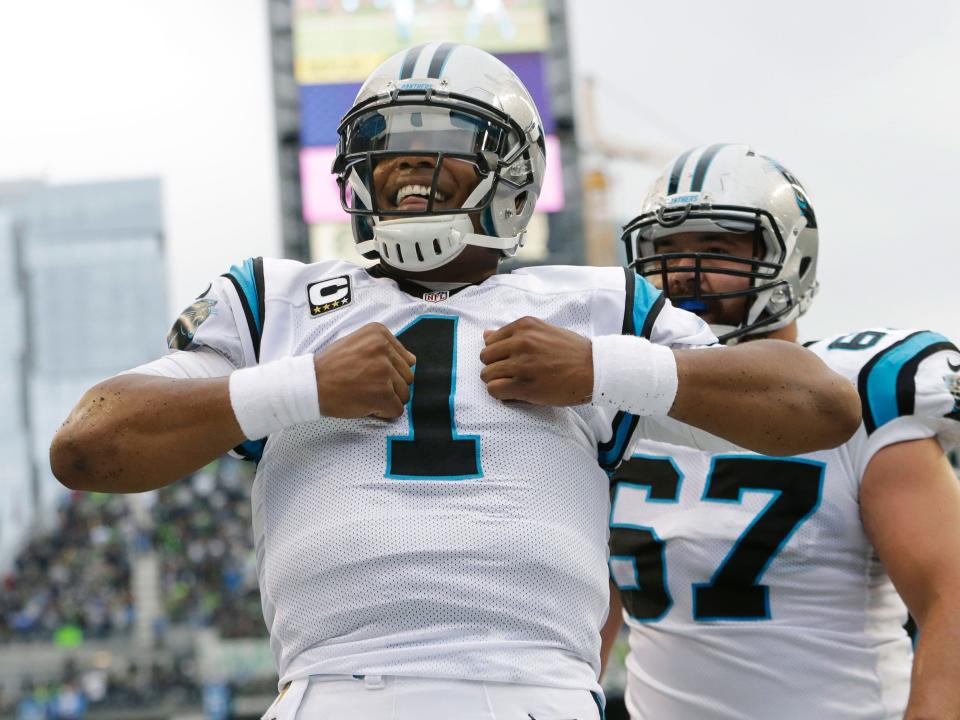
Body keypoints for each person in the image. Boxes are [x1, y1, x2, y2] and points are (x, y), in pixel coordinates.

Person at [50, 49, 859, 720]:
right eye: (390, 154)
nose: (407, 176)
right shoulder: (278, 300)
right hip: (334, 689)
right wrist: (300, 387)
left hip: (540, 690)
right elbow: (89, 447)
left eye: (437, 156)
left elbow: (818, 407)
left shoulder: (598, 305)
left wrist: (600, 367)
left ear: (509, 174)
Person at [602, 143, 960, 720]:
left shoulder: (861, 394)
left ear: (792, 260)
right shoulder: (620, 406)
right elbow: (585, 616)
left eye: (716, 248)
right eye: (667, 252)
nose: (685, 273)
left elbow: (952, 600)